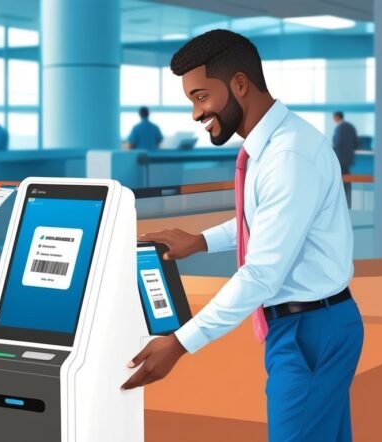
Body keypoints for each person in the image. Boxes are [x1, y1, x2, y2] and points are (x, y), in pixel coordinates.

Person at [121, 30, 363, 442]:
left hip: (310, 331)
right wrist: (200, 242)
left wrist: (180, 342)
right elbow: (266, 222)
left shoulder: (287, 156)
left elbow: (262, 274)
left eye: (201, 97)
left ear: (238, 85)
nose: (196, 114)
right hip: (315, 322)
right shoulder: (271, 146)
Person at [332, 111, 358, 208]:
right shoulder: (350, 127)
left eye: (334, 117)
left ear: (337, 117)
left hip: (340, 158)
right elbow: (356, 143)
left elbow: (337, 143)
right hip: (348, 159)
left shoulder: (339, 128)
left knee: (341, 181)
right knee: (347, 182)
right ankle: (348, 204)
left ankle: (342, 206)